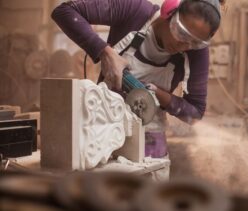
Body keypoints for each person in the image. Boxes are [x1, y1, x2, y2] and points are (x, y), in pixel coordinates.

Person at [51, 0, 224, 178]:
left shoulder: (196, 52)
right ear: (169, 12)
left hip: (151, 143)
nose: (184, 45)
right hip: (102, 132)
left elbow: (195, 113)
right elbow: (64, 12)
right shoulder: (135, 11)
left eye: (194, 43)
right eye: (181, 33)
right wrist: (105, 52)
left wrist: (159, 95)